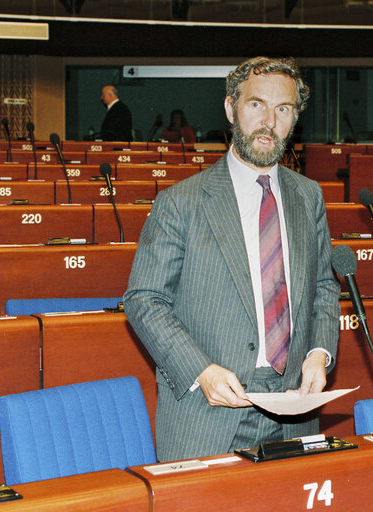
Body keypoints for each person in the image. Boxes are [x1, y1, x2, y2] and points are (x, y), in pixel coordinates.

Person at [123, 56, 341, 462]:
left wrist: (319, 353)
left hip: (293, 408)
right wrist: (201, 370)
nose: (269, 122)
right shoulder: (181, 203)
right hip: (208, 410)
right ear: (230, 109)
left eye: (283, 109)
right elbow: (144, 300)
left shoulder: (308, 196)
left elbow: (324, 288)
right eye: (257, 104)